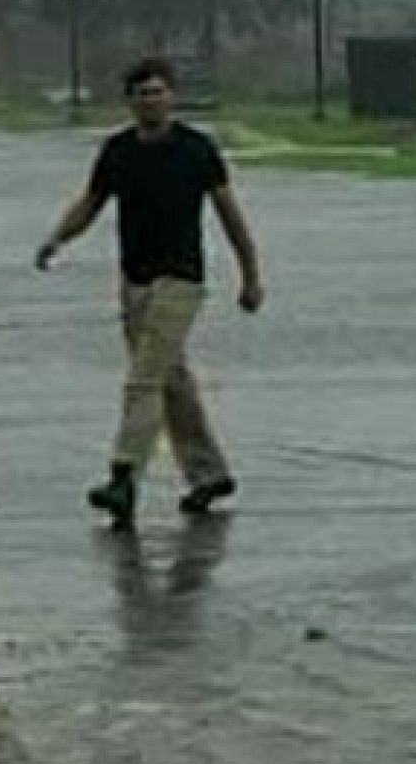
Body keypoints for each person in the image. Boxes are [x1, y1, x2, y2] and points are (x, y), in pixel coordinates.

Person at [36, 55, 263, 528]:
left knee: (143, 380)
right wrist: (57, 239)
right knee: (170, 380)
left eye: (159, 92)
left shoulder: (197, 150)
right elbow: (91, 204)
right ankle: (209, 475)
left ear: (172, 96)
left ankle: (123, 477)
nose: (151, 101)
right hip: (135, 281)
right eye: (142, 94)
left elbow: (230, 215)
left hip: (180, 281)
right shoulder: (118, 151)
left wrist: (250, 275)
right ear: (130, 101)